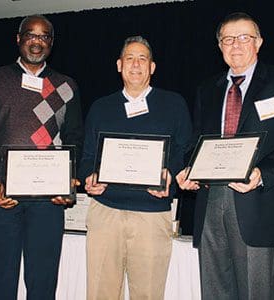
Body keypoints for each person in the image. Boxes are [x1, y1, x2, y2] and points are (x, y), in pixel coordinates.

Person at [177, 12, 274, 300]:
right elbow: (196, 142)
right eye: (228, 39)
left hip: (257, 204)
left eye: (244, 38)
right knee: (214, 291)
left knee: (257, 293)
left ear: (259, 42)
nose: (236, 45)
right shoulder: (207, 89)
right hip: (210, 203)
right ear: (219, 46)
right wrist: (190, 169)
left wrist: (262, 174)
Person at [78, 35, 192, 300]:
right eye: (130, 58)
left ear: (152, 67)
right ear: (119, 65)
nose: (136, 64)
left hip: (152, 216)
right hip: (105, 214)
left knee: (149, 294)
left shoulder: (174, 104)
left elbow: (184, 151)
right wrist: (89, 176)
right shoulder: (100, 107)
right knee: (100, 293)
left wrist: (170, 177)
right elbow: (86, 157)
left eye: (143, 59)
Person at [0, 15, 83, 300]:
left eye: (44, 37)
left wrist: (67, 183)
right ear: (18, 39)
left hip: (47, 201)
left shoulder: (67, 87)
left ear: (51, 43)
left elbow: (74, 140)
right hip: (3, 196)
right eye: (31, 34)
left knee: (42, 283)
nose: (37, 41)